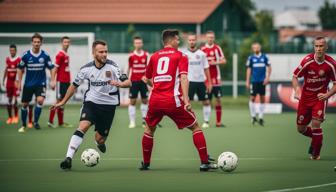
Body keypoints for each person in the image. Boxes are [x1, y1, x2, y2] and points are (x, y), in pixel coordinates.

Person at [139, 29, 217, 171]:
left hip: (155, 100)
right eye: (177, 39)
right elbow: (183, 77)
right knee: (195, 127)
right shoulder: (181, 56)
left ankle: (145, 163)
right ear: (172, 40)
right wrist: (187, 100)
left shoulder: (154, 56)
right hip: (173, 100)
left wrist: (154, 85)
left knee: (149, 129)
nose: (179, 41)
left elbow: (146, 78)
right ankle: (205, 162)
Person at [51, 40, 131, 170]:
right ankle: (68, 158)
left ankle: (98, 142)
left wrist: (121, 84)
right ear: (94, 53)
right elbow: (74, 86)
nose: (104, 54)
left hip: (108, 107)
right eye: (101, 52)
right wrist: (63, 101)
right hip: (91, 103)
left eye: (106, 51)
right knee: (83, 126)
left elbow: (128, 82)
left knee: (101, 139)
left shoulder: (113, 66)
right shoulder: (86, 69)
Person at [292, 36, 336, 160]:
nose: (318, 49)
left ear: (326, 47)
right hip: (305, 99)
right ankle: (317, 137)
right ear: (314, 47)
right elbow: (295, 76)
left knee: (316, 124)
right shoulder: (307, 61)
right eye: (316, 46)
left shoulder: (331, 64)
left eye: (321, 46)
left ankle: (315, 153)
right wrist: (297, 89)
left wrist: (327, 95)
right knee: (301, 129)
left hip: (319, 99)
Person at [17, 33, 56, 133]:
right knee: (25, 104)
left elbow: (52, 68)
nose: (36, 44)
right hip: (28, 84)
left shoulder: (45, 55)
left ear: (41, 43)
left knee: (40, 101)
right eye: (35, 42)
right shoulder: (26, 55)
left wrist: (52, 80)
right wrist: (19, 82)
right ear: (32, 43)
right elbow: (20, 69)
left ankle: (35, 122)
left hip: (40, 83)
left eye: (38, 42)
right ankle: (24, 125)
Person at [183, 33, 212, 128]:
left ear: (196, 41)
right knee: (187, 102)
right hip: (189, 82)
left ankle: (206, 121)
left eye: (193, 40)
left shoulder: (202, 54)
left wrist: (209, 82)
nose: (192, 42)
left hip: (200, 81)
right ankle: (187, 122)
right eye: (190, 40)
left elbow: (206, 68)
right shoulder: (184, 55)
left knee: (206, 101)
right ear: (188, 41)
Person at [201, 31, 226, 127]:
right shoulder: (202, 49)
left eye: (212, 37)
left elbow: (224, 60)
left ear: (214, 38)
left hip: (216, 79)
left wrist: (214, 62)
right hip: (206, 79)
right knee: (206, 100)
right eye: (208, 37)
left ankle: (218, 122)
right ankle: (206, 121)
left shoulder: (217, 48)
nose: (210, 39)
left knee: (218, 99)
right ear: (206, 38)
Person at [48, 36, 73, 128]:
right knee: (58, 101)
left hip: (66, 81)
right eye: (65, 42)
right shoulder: (60, 55)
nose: (66, 44)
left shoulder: (66, 54)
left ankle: (61, 122)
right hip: (60, 81)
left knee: (63, 101)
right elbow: (55, 68)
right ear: (61, 43)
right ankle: (50, 121)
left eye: (68, 42)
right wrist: (53, 80)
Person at [245, 42, 272, 126]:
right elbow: (249, 70)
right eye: (254, 47)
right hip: (254, 81)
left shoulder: (265, 57)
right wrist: (247, 81)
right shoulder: (251, 58)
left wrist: (267, 78)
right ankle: (253, 116)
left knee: (262, 98)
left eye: (257, 47)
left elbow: (269, 68)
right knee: (252, 98)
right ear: (252, 49)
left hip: (262, 81)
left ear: (260, 48)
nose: (256, 49)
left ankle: (260, 117)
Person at [127, 36, 149, 128]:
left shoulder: (146, 55)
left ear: (142, 44)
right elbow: (128, 68)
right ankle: (132, 122)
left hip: (143, 81)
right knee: (132, 101)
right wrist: (127, 80)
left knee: (145, 100)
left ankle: (144, 120)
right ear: (134, 44)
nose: (138, 44)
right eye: (136, 43)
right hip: (134, 81)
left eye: (140, 42)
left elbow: (148, 68)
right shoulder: (131, 55)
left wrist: (148, 79)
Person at [3, 44, 21, 124]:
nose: (12, 52)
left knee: (16, 100)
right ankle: (10, 117)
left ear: (16, 51)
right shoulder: (7, 59)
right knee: (9, 100)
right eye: (11, 50)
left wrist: (18, 81)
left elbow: (21, 71)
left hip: (15, 82)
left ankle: (16, 116)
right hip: (9, 82)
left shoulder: (18, 59)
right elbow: (6, 70)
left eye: (13, 50)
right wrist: (3, 80)